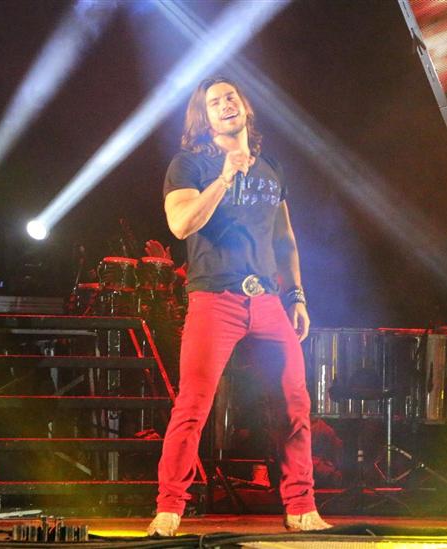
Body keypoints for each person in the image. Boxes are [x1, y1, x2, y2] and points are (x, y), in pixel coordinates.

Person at [147, 76, 330, 536]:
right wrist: (225, 177)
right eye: (214, 102)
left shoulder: (271, 168)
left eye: (231, 97)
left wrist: (296, 294)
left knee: (294, 402)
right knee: (194, 404)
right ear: (204, 118)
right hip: (215, 298)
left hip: (266, 299)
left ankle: (302, 506)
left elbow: (284, 237)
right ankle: (169, 508)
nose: (225, 104)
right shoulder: (190, 164)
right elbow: (181, 224)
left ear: (245, 107)